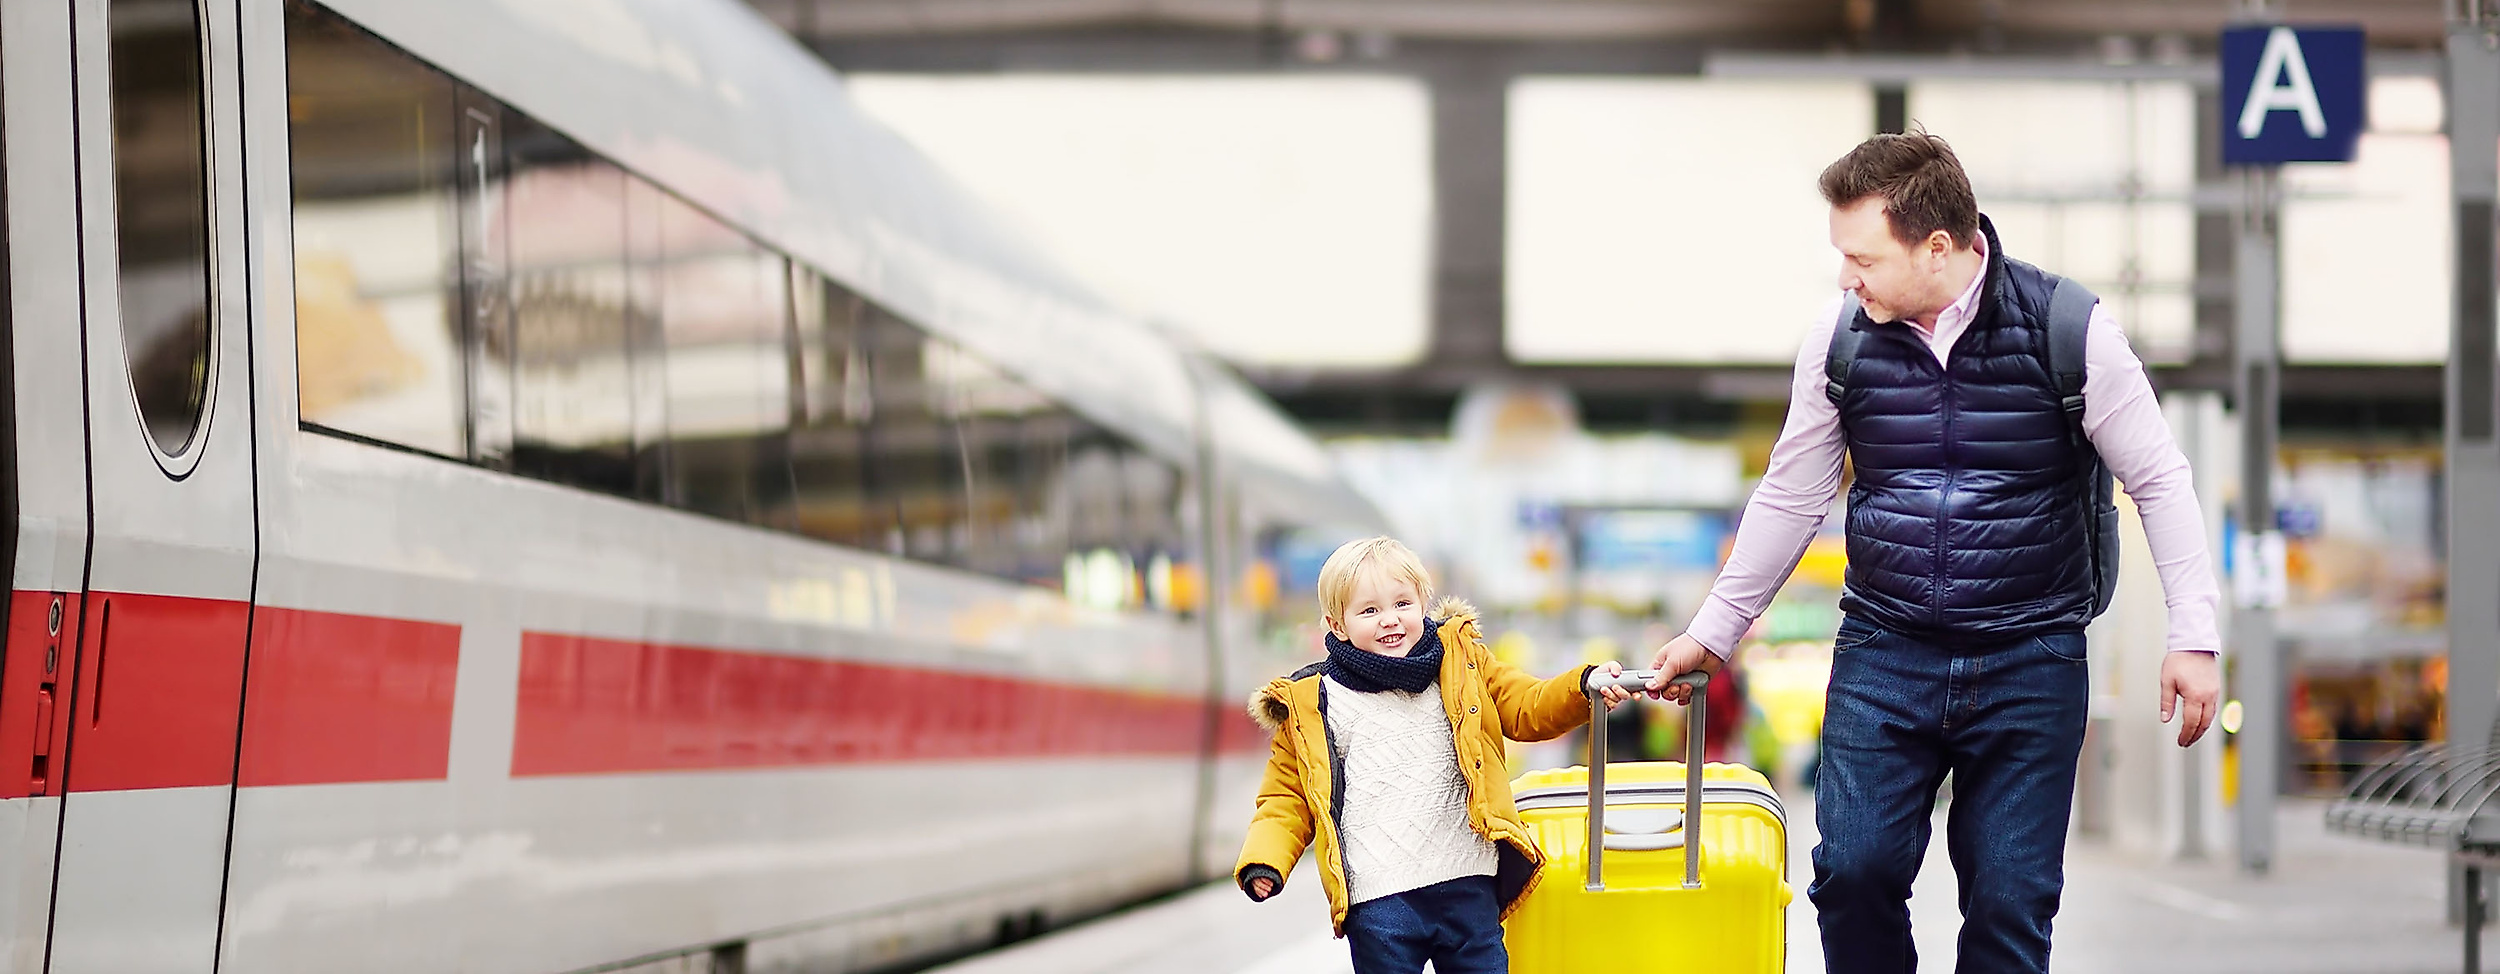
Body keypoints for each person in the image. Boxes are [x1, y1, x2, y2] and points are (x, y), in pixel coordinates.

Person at [1644, 131, 2224, 974]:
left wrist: (2193, 636)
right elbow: (1792, 492)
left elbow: (2161, 481)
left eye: (1863, 257)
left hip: (2032, 653)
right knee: (1851, 873)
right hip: (1888, 648)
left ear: (1938, 247)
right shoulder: (1839, 338)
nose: (1847, 277)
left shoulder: (2072, 329)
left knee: (2009, 904)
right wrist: (1713, 630)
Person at [1236, 536, 1632, 974]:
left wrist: (1582, 687)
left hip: (1468, 880)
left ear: (1423, 602)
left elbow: (1526, 705)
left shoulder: (1461, 664)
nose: (1391, 620)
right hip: (1379, 900)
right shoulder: (1315, 702)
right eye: (1369, 610)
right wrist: (1266, 860)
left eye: (1402, 603)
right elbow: (1285, 796)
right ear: (1337, 624)